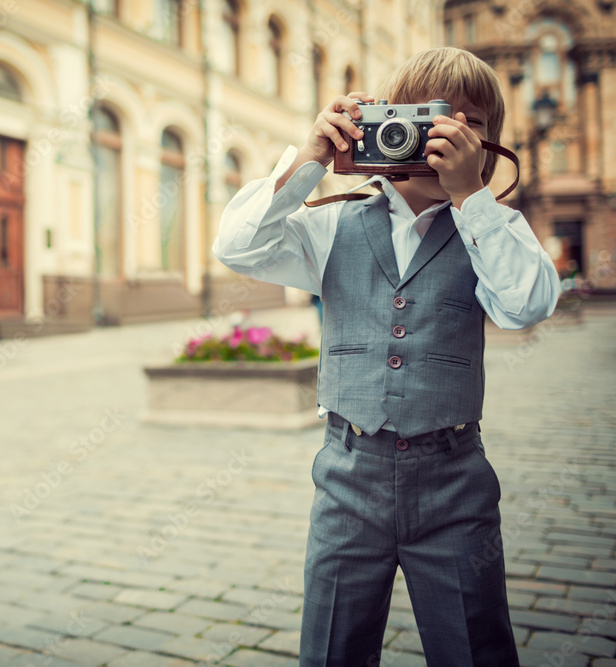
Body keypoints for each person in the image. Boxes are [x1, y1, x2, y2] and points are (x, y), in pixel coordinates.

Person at [213, 47, 559, 666]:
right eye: (425, 116)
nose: (443, 134)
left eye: (467, 122)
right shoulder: (333, 223)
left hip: (455, 482)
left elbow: (526, 304)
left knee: (474, 649)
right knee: (331, 650)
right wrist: (313, 160)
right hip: (348, 478)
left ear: (489, 144)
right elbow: (238, 249)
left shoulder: (491, 227)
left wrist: (470, 197)